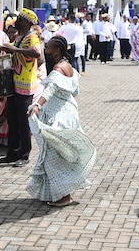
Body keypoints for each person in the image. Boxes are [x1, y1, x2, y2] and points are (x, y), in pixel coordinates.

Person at [26, 35, 96, 206]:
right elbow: (75, 91)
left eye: (48, 46)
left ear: (56, 50)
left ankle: (64, 196)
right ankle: (58, 192)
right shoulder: (69, 66)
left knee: (54, 155)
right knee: (62, 153)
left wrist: (38, 105)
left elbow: (50, 89)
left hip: (59, 117)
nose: (45, 49)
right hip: (69, 113)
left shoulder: (58, 68)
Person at [0, 8, 42, 166]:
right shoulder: (20, 37)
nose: (17, 21)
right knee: (13, 119)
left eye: (21, 19)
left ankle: (24, 154)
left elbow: (36, 53)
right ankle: (13, 152)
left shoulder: (32, 37)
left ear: (27, 23)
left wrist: (15, 49)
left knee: (23, 121)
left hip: (26, 84)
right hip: (14, 82)